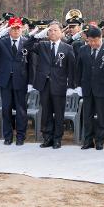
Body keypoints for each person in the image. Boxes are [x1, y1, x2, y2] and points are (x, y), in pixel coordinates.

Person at [23, 21, 75, 149]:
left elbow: (72, 69)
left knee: (58, 112)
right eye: (50, 30)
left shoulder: (67, 48)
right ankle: (47, 137)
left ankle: (57, 138)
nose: (52, 32)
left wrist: (71, 86)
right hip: (44, 84)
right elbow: (26, 45)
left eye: (55, 30)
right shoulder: (42, 45)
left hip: (60, 85)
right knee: (46, 112)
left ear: (61, 32)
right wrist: (36, 35)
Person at [0, 17, 30, 146]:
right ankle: (8, 136)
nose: (16, 31)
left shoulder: (26, 42)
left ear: (21, 29)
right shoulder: (3, 41)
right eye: (13, 28)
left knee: (21, 110)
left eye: (18, 28)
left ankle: (21, 136)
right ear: (9, 30)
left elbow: (32, 62)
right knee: (6, 109)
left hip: (21, 80)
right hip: (6, 80)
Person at [75, 25, 104, 150]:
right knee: (87, 116)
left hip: (103, 89)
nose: (93, 43)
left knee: (101, 116)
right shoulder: (83, 49)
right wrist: (78, 85)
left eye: (95, 40)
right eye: (90, 41)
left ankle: (100, 141)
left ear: (101, 38)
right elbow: (78, 69)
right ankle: (88, 141)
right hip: (87, 88)